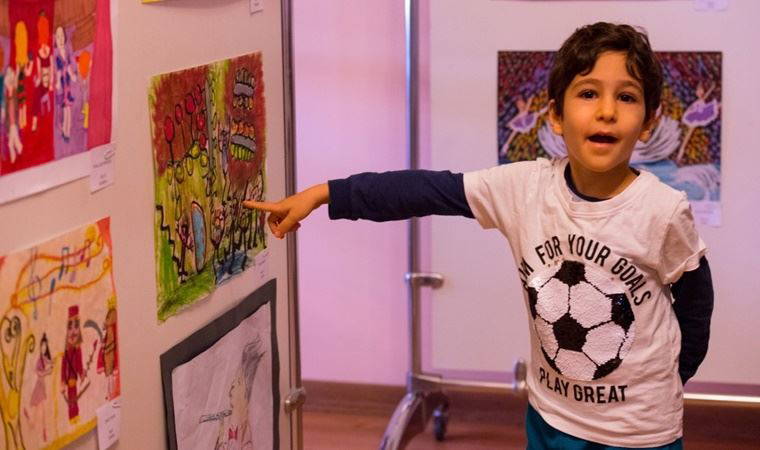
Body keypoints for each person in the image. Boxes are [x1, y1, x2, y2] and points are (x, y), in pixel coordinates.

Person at [244, 22, 714, 449]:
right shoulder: (525, 188)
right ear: (555, 115)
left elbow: (696, 303)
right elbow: (423, 190)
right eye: (588, 93)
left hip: (638, 433)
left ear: (648, 122)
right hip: (552, 419)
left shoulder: (662, 210)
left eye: (627, 97)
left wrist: (670, 378)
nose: (607, 111)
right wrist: (325, 194)